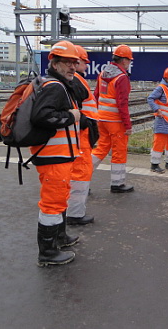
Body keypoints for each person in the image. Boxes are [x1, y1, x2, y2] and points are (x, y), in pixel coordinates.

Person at [29, 41, 82, 267]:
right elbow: (41, 117)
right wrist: (72, 116)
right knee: (52, 202)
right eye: (67, 63)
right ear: (54, 63)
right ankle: (48, 253)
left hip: (60, 155)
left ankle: (59, 237)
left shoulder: (59, 84)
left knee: (60, 197)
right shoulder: (54, 87)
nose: (72, 67)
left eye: (74, 63)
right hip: (53, 156)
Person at [92, 44, 134, 193]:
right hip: (115, 122)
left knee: (101, 148)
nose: (129, 64)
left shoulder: (102, 73)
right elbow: (122, 104)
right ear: (123, 60)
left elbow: (96, 96)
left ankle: (81, 175)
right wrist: (127, 125)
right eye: (129, 61)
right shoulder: (121, 78)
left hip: (101, 119)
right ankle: (117, 183)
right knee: (119, 151)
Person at [67, 45, 98, 225]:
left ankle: (74, 211)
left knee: (79, 170)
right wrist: (87, 122)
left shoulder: (76, 80)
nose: (86, 66)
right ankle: (75, 214)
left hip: (81, 133)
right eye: (84, 63)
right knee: (81, 171)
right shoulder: (76, 81)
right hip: (81, 135)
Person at [147, 67, 168, 173]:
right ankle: (154, 164)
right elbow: (150, 98)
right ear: (167, 79)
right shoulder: (161, 88)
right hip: (162, 120)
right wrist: (157, 109)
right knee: (159, 143)